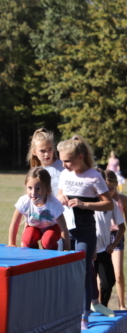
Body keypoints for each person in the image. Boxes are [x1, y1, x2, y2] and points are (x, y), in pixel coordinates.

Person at [56, 135, 114, 330]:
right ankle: (65, 312)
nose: (63, 165)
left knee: (83, 272)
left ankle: (84, 316)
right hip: (65, 229)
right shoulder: (65, 174)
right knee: (65, 272)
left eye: (67, 161)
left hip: (85, 230)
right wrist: (61, 195)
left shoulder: (94, 176)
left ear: (80, 157)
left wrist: (84, 204)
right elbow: (58, 192)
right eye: (61, 160)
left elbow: (108, 204)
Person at [7, 167, 70, 250]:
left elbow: (64, 228)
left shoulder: (54, 204)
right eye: (30, 188)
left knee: (48, 241)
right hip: (34, 227)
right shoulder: (24, 201)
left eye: (38, 189)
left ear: (47, 189)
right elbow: (14, 223)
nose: (33, 193)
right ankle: (33, 258)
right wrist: (11, 243)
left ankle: (50, 258)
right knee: (28, 239)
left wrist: (67, 249)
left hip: (52, 227)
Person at [91, 169, 126, 316]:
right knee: (94, 280)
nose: (107, 191)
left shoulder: (115, 202)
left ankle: (115, 305)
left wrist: (113, 244)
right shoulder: (91, 200)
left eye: (110, 188)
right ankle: (94, 307)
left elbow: (122, 226)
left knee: (113, 277)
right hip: (92, 246)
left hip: (109, 243)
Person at [27, 128, 63, 197]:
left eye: (50, 149)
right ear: (34, 152)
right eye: (42, 151)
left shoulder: (63, 165)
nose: (47, 154)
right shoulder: (36, 172)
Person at [109, 169, 127, 310]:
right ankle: (98, 304)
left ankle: (122, 305)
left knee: (118, 274)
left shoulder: (123, 199)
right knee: (100, 274)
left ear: (116, 185)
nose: (109, 192)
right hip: (101, 236)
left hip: (117, 235)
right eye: (106, 189)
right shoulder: (98, 199)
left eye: (112, 188)